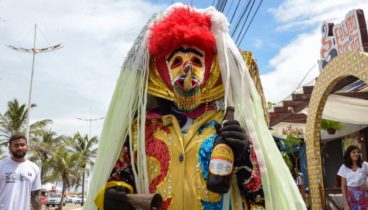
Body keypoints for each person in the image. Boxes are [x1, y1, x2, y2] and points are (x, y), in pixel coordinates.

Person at [85, 4, 306, 210]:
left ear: (210, 70)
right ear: (162, 71)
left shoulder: (227, 127)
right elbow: (120, 177)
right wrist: (115, 193)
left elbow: (260, 196)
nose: (187, 70)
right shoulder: (140, 130)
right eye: (177, 61)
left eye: (196, 61)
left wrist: (244, 157)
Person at [0, 134, 41, 210]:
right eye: (16, 145)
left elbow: (36, 195)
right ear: (10, 148)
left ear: (27, 147)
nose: (20, 148)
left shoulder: (34, 168)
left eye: (22, 145)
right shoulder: (1, 165)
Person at [337, 145, 368, 210]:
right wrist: (346, 204)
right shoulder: (344, 167)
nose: (356, 154)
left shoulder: (364, 164)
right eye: (354, 152)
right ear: (348, 154)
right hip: (352, 198)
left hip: (365, 196)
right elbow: (343, 187)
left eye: (358, 152)